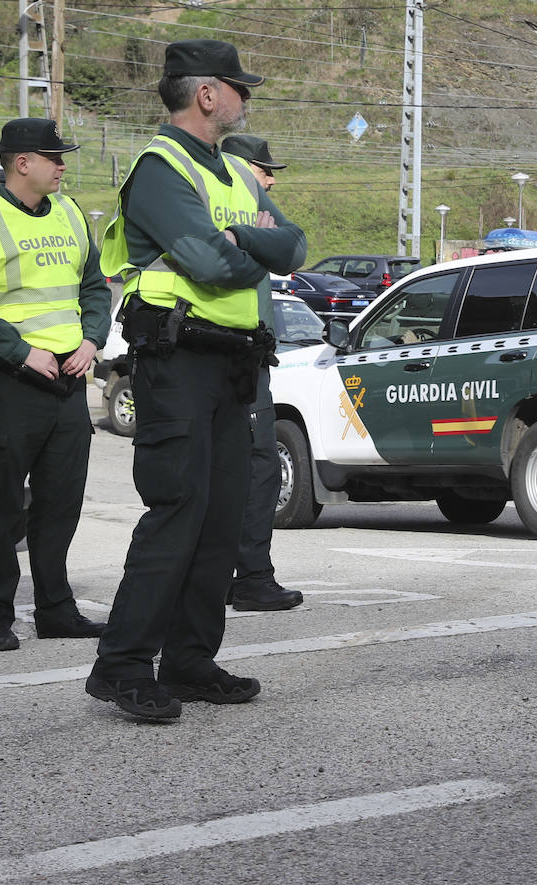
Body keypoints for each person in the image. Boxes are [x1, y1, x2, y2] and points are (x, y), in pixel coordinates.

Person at [87, 40, 306, 720]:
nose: (248, 98)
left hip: (232, 363)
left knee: (220, 518)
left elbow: (294, 245)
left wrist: (243, 246)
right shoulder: (160, 167)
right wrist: (247, 247)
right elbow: (210, 265)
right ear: (207, 94)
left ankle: (188, 659)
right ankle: (122, 665)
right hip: (178, 358)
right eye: (240, 87)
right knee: (178, 509)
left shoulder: (235, 174)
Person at [0, 118, 111, 651]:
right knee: (3, 506)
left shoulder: (71, 211)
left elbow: (93, 286)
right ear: (22, 163)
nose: (62, 166)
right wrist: (19, 351)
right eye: (53, 156)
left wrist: (92, 338)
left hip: (69, 381)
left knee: (61, 503)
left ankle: (56, 609)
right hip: (11, 383)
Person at [219, 134, 302, 613]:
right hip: (230, 354)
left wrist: (259, 237)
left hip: (248, 355)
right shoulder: (229, 205)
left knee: (255, 468)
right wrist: (257, 236)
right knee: (254, 468)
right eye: (264, 169)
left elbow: (291, 246)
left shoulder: (242, 206)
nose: (270, 179)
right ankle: (248, 576)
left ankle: (245, 575)